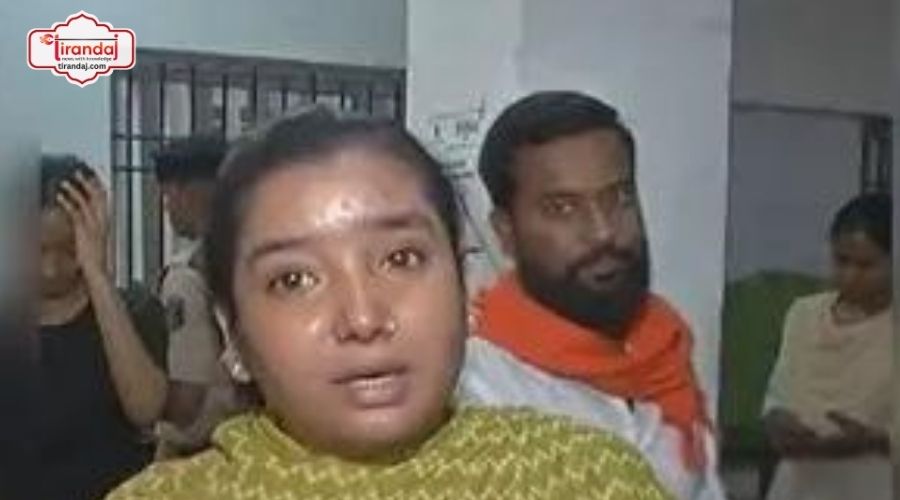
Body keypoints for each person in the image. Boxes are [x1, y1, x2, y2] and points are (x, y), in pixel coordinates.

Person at [107, 110, 671, 499]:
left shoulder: (587, 480)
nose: (363, 318)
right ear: (233, 333)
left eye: (401, 259)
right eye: (295, 279)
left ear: (464, 285)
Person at [457, 91, 724, 499]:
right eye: (563, 208)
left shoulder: (664, 349)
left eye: (620, 198)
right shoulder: (477, 389)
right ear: (506, 232)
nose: (603, 232)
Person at [34, 155, 168, 499]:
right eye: (37, 250)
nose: (51, 269)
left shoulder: (132, 311)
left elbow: (146, 408)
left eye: (68, 251)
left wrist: (96, 273)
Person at [763, 192, 893, 500]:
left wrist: (873, 441)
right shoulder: (803, 314)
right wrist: (779, 423)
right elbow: (778, 398)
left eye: (865, 265)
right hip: (797, 484)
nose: (850, 275)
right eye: (841, 261)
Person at [153, 135, 243, 457]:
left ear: (188, 192)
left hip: (203, 449)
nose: (167, 208)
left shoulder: (187, 276)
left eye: (168, 195)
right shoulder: (255, 259)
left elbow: (188, 397)